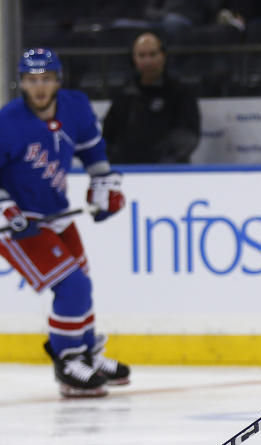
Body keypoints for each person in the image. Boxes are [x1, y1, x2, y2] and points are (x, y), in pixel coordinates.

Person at [0, 48, 130, 398]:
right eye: (31, 80)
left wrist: (102, 186)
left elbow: (93, 152)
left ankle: (86, 352)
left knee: (82, 284)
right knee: (71, 287)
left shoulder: (75, 106)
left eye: (45, 79)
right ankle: (68, 361)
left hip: (57, 215)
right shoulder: (7, 121)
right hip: (18, 225)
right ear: (21, 83)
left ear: (58, 80)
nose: (39, 87)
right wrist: (7, 210)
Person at [102, 33, 200, 165]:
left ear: (163, 56)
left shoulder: (180, 93)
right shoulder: (123, 95)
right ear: (134, 59)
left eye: (152, 54)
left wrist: (164, 161)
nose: (147, 61)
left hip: (168, 172)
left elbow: (189, 136)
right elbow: (108, 137)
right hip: (129, 172)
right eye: (141, 55)